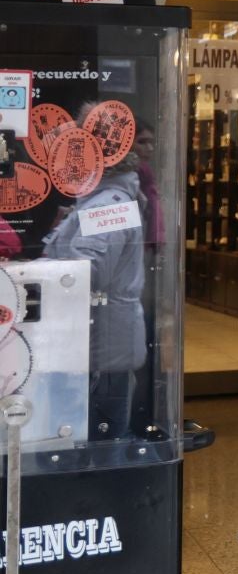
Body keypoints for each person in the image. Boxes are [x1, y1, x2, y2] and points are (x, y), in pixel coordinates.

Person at [42, 126, 148, 440]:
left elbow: (90, 272)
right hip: (98, 345)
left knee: (100, 447)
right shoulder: (100, 199)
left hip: (103, 351)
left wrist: (37, 271)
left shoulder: (108, 204)